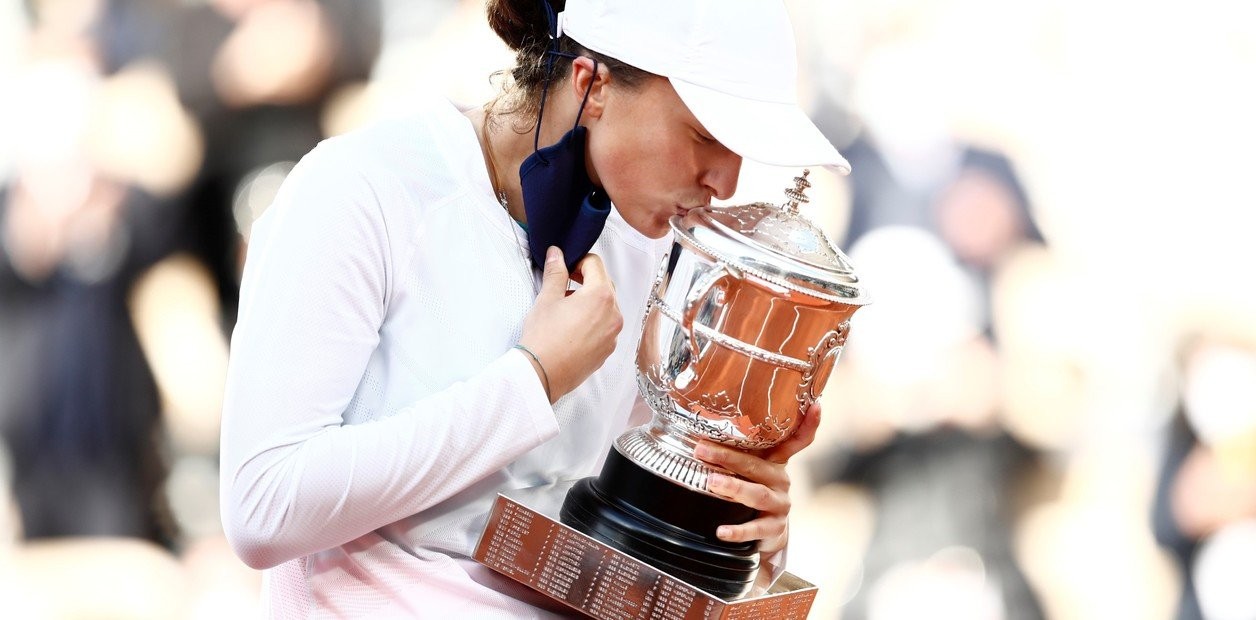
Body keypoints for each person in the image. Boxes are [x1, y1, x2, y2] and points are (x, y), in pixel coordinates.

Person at [218, 0, 851, 616]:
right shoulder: (363, 187)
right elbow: (263, 509)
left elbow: (617, 550)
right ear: (592, 85)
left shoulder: (652, 245)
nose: (726, 182)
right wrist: (533, 378)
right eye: (705, 137)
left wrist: (735, 526)